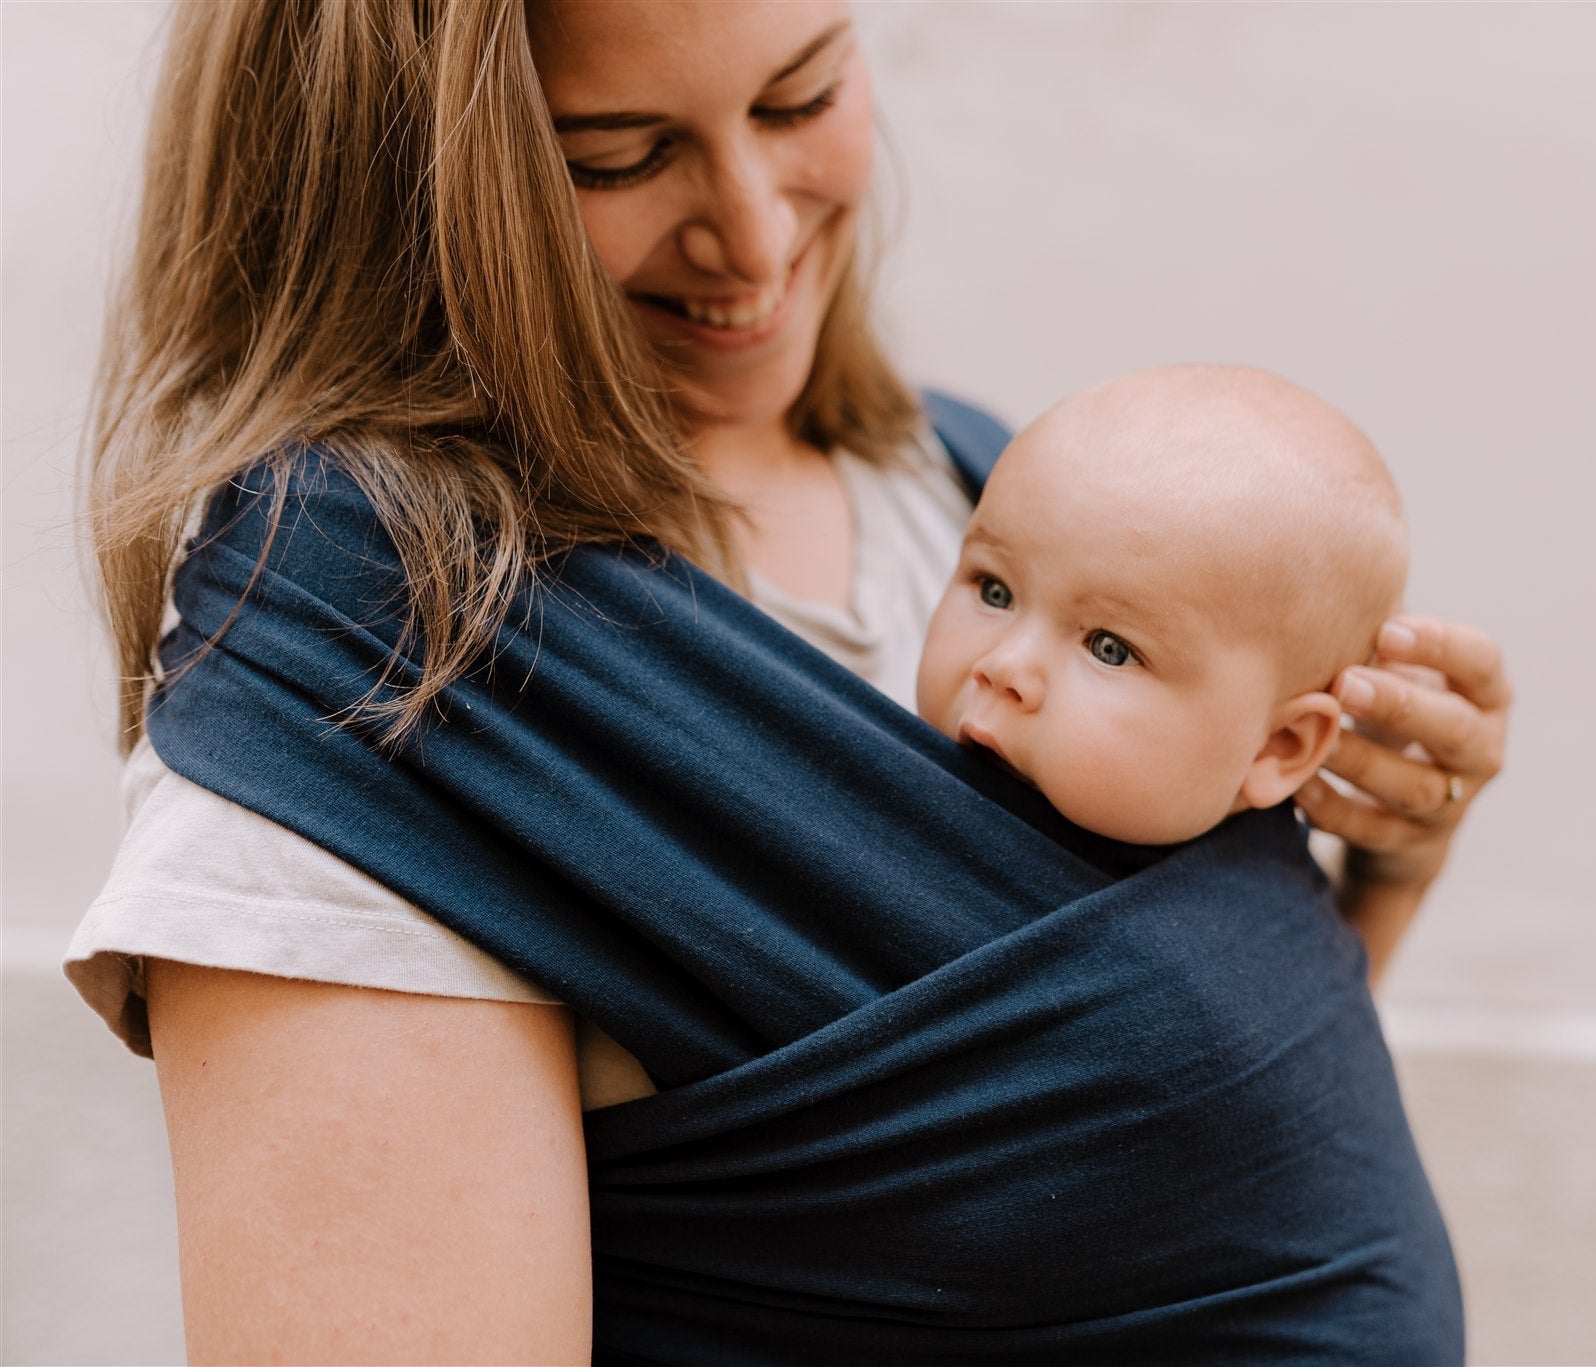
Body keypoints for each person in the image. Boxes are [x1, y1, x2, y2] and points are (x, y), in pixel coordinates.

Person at [64, 1, 1512, 1360]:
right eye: (614, 157)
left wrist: (1371, 870)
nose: (752, 241)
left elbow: (1159, 1148)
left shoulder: (959, 488)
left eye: (802, 91)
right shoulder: (390, 684)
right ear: (395, 184)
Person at [918, 364, 1409, 847]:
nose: (1002, 666)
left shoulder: (1254, 924)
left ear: (1278, 746)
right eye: (993, 591)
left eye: (1110, 648)